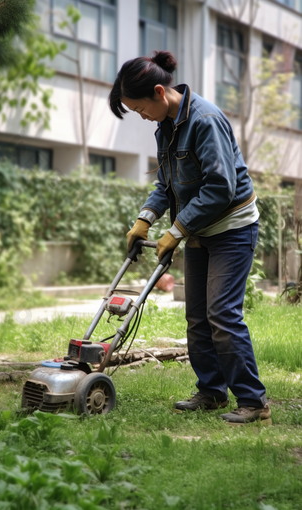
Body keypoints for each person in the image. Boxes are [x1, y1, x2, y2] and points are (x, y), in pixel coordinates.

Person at [108, 50, 271, 425]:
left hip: (232, 226)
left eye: (139, 109)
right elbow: (167, 183)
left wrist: (177, 229)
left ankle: (253, 402)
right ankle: (211, 392)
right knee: (197, 317)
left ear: (159, 93)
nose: (142, 116)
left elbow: (220, 187)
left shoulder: (205, 120)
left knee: (222, 315)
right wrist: (144, 220)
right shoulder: (165, 125)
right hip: (199, 229)